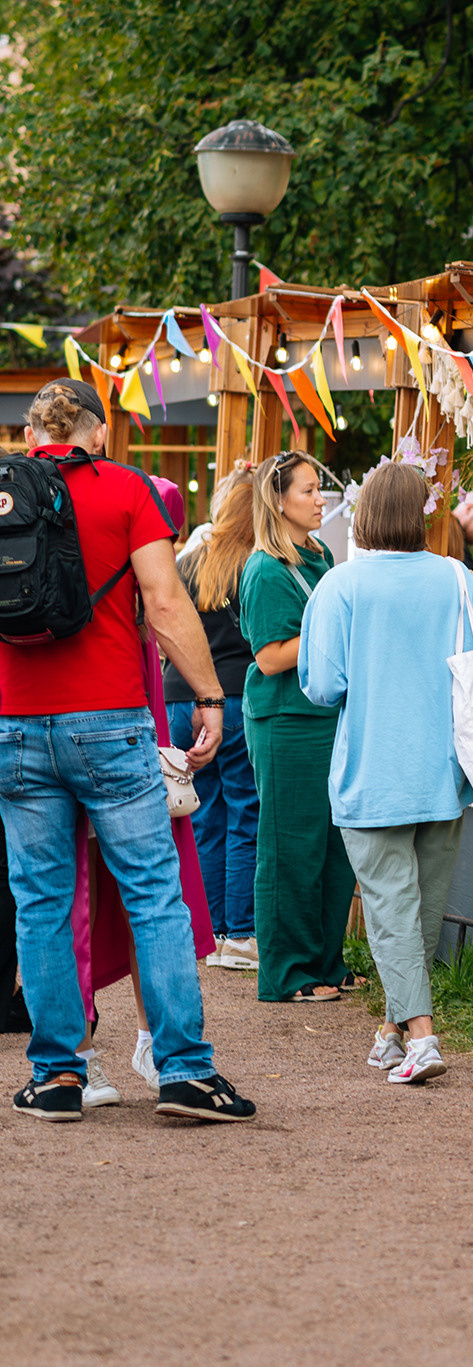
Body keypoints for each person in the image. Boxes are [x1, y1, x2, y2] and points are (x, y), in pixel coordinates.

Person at [2, 378, 254, 1123]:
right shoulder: (128, 490)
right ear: (99, 432)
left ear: (30, 437)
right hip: (108, 718)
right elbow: (165, 604)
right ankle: (183, 1072)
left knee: (41, 901)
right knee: (153, 890)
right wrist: (207, 696)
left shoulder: (5, 495)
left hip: (14, 721)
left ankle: (56, 1075)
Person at [300, 460, 473, 1085]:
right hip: (444, 770)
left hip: (372, 770)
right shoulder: (460, 581)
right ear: (422, 515)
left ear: (362, 515)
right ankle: (391, 1031)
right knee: (420, 911)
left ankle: (421, 1037)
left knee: (391, 909)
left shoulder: (341, 586)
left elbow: (322, 686)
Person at [240, 451, 355, 1005]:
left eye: (319, 490)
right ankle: (288, 972)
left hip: (325, 714)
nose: (319, 500)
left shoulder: (321, 553)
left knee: (332, 844)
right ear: (279, 500)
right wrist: (337, 639)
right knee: (291, 847)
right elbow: (268, 657)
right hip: (285, 720)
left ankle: (326, 961)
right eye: (308, 491)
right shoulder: (265, 568)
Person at [166, 472, 260, 972]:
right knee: (245, 812)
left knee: (200, 814)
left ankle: (209, 930)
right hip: (236, 698)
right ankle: (240, 936)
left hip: (181, 698)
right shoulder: (255, 566)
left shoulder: (187, 561)